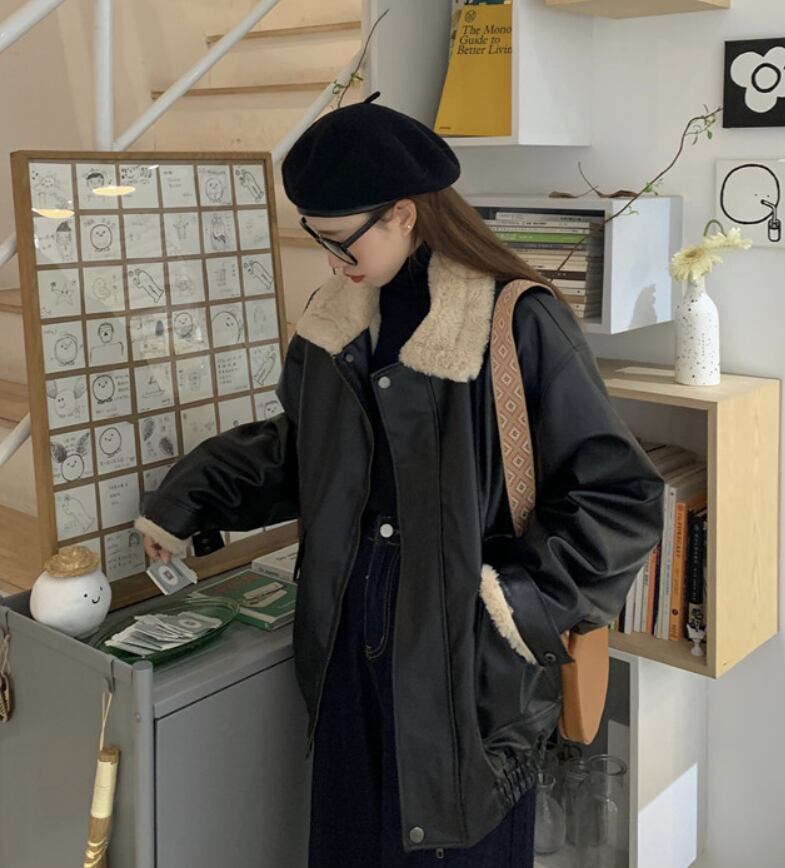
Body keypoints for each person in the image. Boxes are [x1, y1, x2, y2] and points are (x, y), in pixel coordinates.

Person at [136, 92, 664, 866]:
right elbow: (301, 447)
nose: (331, 261)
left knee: (454, 847)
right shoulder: (337, 318)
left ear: (404, 214)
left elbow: (619, 495)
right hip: (346, 633)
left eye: (340, 240)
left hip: (465, 651)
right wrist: (187, 499)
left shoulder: (516, 321)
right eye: (317, 237)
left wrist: (516, 606)